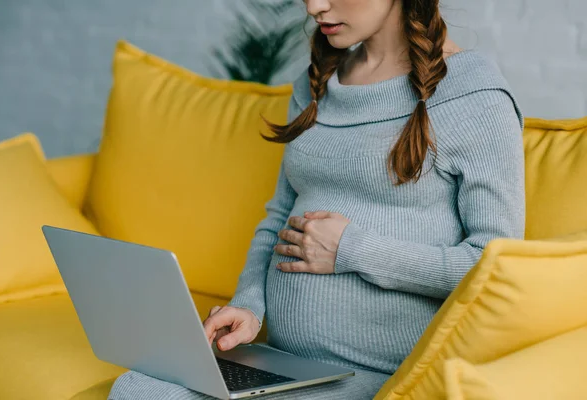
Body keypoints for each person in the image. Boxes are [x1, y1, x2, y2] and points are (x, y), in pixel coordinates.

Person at [109, 0, 526, 398]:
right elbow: (278, 218)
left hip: (378, 375)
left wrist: (354, 250)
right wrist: (249, 306)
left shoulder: (474, 95)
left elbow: (494, 267)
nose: (314, 8)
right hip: (285, 364)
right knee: (135, 388)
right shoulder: (317, 83)